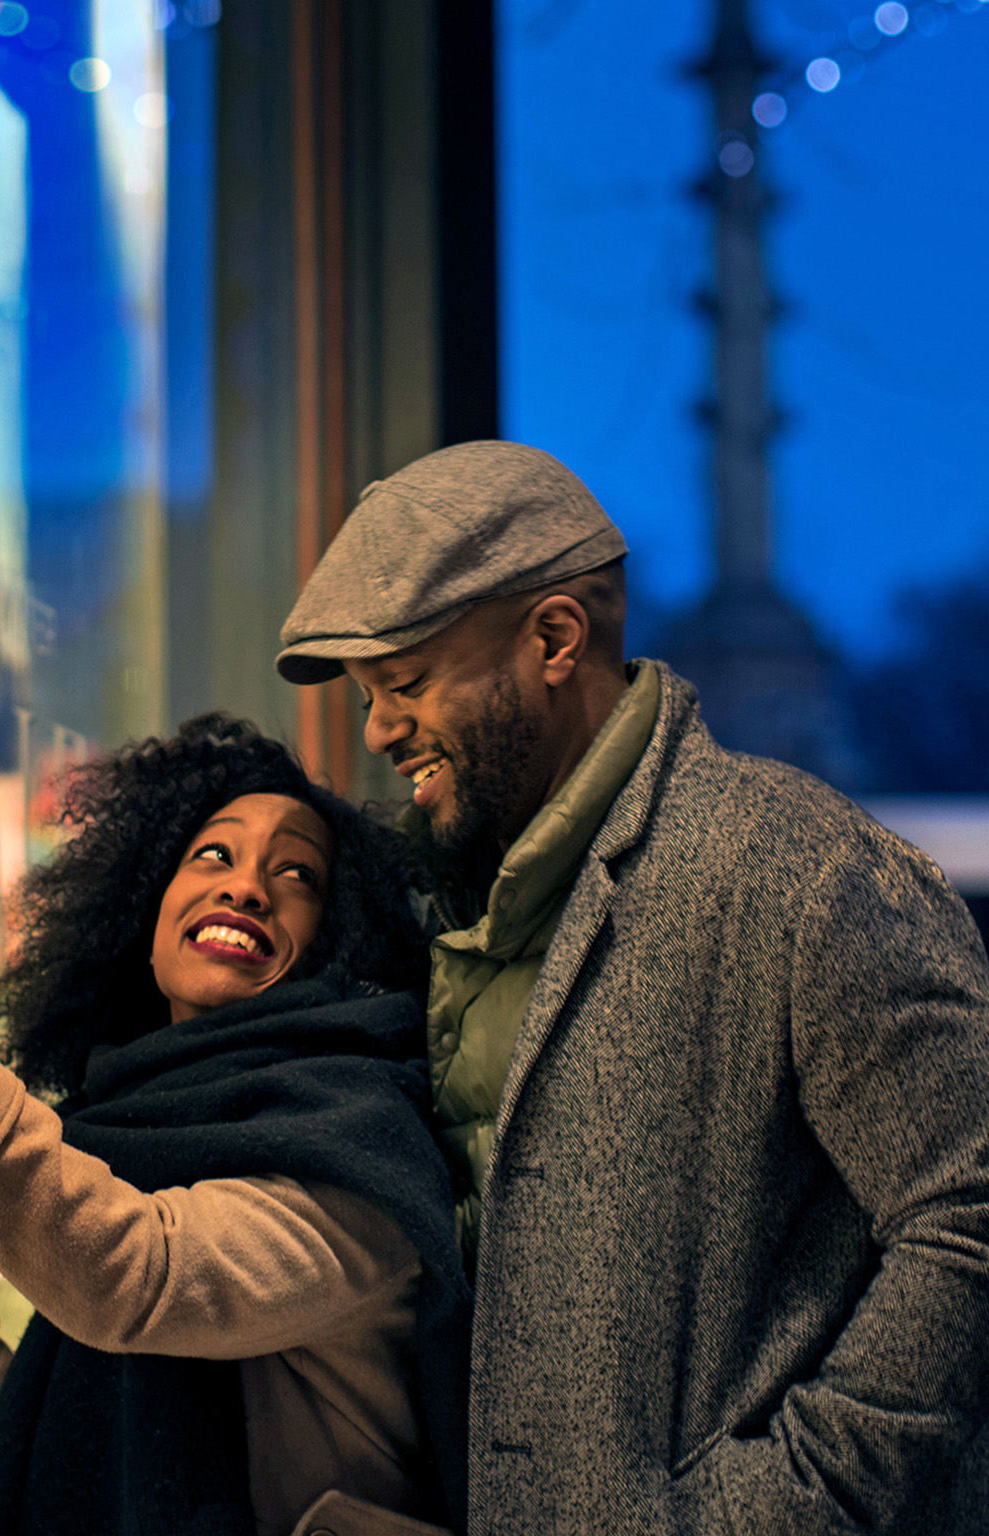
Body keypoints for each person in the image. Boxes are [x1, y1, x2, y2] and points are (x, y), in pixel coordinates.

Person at [276, 440, 989, 1535]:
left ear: (556, 639)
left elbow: (970, 1213)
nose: (376, 730)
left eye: (406, 683)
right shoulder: (455, 905)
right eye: (371, 694)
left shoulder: (796, 866)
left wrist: (786, 1505)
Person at [0, 715, 471, 1536]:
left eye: (296, 873)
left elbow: (136, 1274)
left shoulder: (358, 1144)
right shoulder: (115, 1128)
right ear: (143, 917)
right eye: (213, 854)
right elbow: (44, 1475)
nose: (246, 887)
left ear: (340, 940)